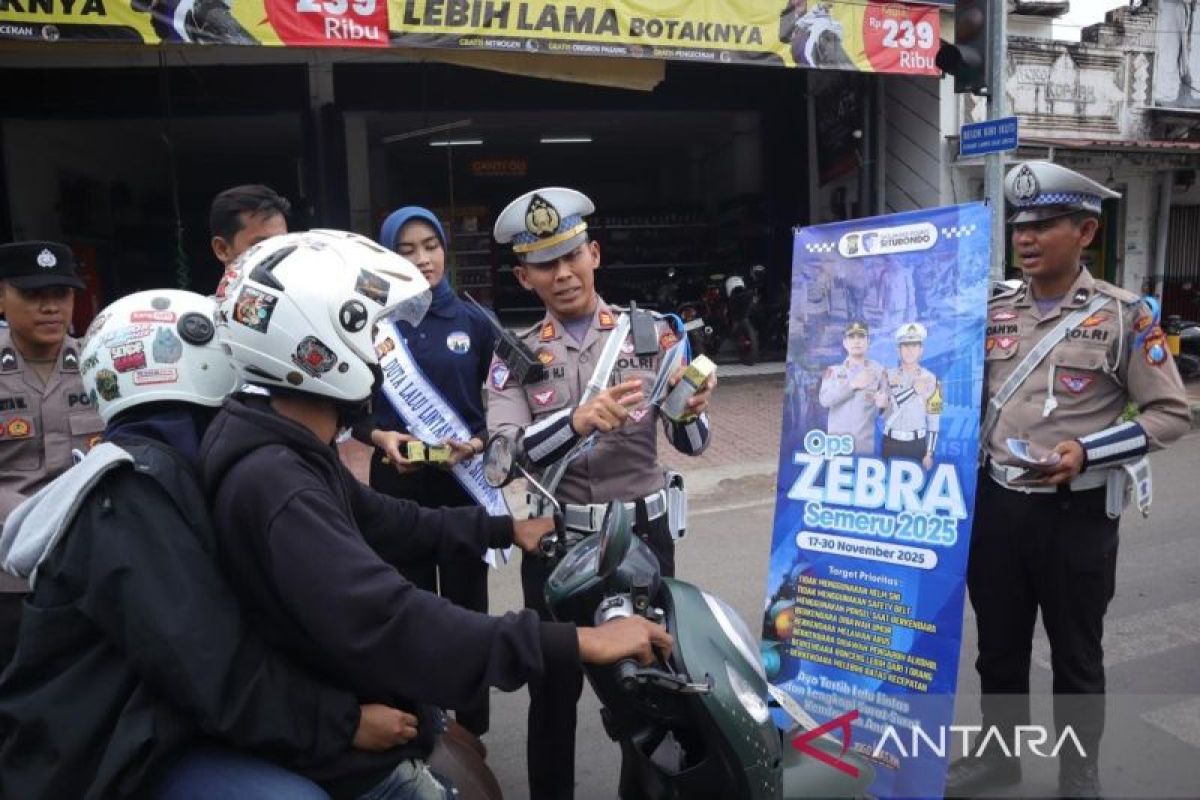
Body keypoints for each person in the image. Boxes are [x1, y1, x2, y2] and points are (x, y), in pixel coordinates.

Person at [202, 229, 673, 799]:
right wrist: (578, 643)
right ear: (318, 345)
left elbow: (390, 521)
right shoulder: (278, 482)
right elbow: (396, 619)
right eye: (370, 335)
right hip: (344, 751)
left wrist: (503, 527)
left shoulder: (292, 449)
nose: (382, 352)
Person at [0, 289, 416, 800]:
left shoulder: (189, 466)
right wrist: (342, 722)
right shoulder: (130, 495)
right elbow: (207, 662)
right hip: (112, 750)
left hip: (170, 718)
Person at [944, 162, 1190, 799]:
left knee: (1077, 656)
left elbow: (1171, 413)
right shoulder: (992, 309)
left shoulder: (1124, 317)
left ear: (1085, 230)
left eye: (1045, 224)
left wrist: (1088, 450)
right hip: (998, 510)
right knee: (997, 650)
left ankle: (1080, 774)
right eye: (1021, 225)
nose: (1026, 237)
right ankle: (1001, 758)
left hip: (1074, 518)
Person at [487, 187, 716, 800]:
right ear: (524, 275)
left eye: (571, 257)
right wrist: (576, 422)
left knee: (649, 700)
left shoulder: (654, 336)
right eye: (544, 264)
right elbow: (499, 461)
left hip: (641, 541)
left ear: (594, 253)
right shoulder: (516, 357)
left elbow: (691, 442)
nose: (562, 275)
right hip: (558, 546)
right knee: (553, 697)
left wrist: (692, 410)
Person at [351, 205, 499, 737]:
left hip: (464, 483)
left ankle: (474, 729)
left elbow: (502, 397)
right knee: (405, 605)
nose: (422, 259)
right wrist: (377, 435)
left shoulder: (474, 320)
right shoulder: (368, 323)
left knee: (467, 608)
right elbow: (351, 406)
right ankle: (418, 724)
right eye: (406, 249)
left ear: (445, 250)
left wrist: (483, 439)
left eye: (430, 246)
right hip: (397, 484)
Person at [0, 240, 103, 668]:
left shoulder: (99, 363)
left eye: (60, 295)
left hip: (87, 567)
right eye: (33, 295)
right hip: (9, 578)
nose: (50, 308)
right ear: (2, 298)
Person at [210, 184, 290, 299]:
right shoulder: (204, 315)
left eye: (283, 244)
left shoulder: (314, 309)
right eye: (261, 245)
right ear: (222, 249)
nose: (277, 254)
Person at [818, 320, 886, 455]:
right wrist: (852, 385)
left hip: (864, 449)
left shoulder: (879, 372)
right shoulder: (833, 371)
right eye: (851, 337)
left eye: (861, 337)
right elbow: (825, 400)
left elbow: (888, 412)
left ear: (868, 342)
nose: (856, 341)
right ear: (845, 343)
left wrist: (884, 406)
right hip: (837, 447)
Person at [880, 322, 941, 469]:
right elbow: (885, 408)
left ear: (921, 350)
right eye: (905, 345)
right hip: (891, 442)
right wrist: (913, 390)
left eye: (914, 345)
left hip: (916, 445)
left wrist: (929, 453)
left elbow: (934, 419)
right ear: (898, 350)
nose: (910, 350)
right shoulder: (887, 375)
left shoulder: (931, 379)